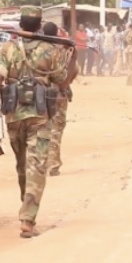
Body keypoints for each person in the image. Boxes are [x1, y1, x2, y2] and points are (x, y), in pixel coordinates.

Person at [0, 6, 71, 238]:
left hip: (14, 116)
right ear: (39, 25)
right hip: (39, 117)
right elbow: (62, 81)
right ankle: (28, 219)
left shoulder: (7, 48)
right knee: (36, 166)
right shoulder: (50, 50)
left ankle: (26, 211)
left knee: (22, 165)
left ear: (20, 24)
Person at [42, 22, 72, 177]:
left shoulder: (34, 50)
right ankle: (53, 165)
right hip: (57, 93)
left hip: (39, 93)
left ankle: (40, 163)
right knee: (56, 129)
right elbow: (66, 75)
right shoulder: (60, 51)